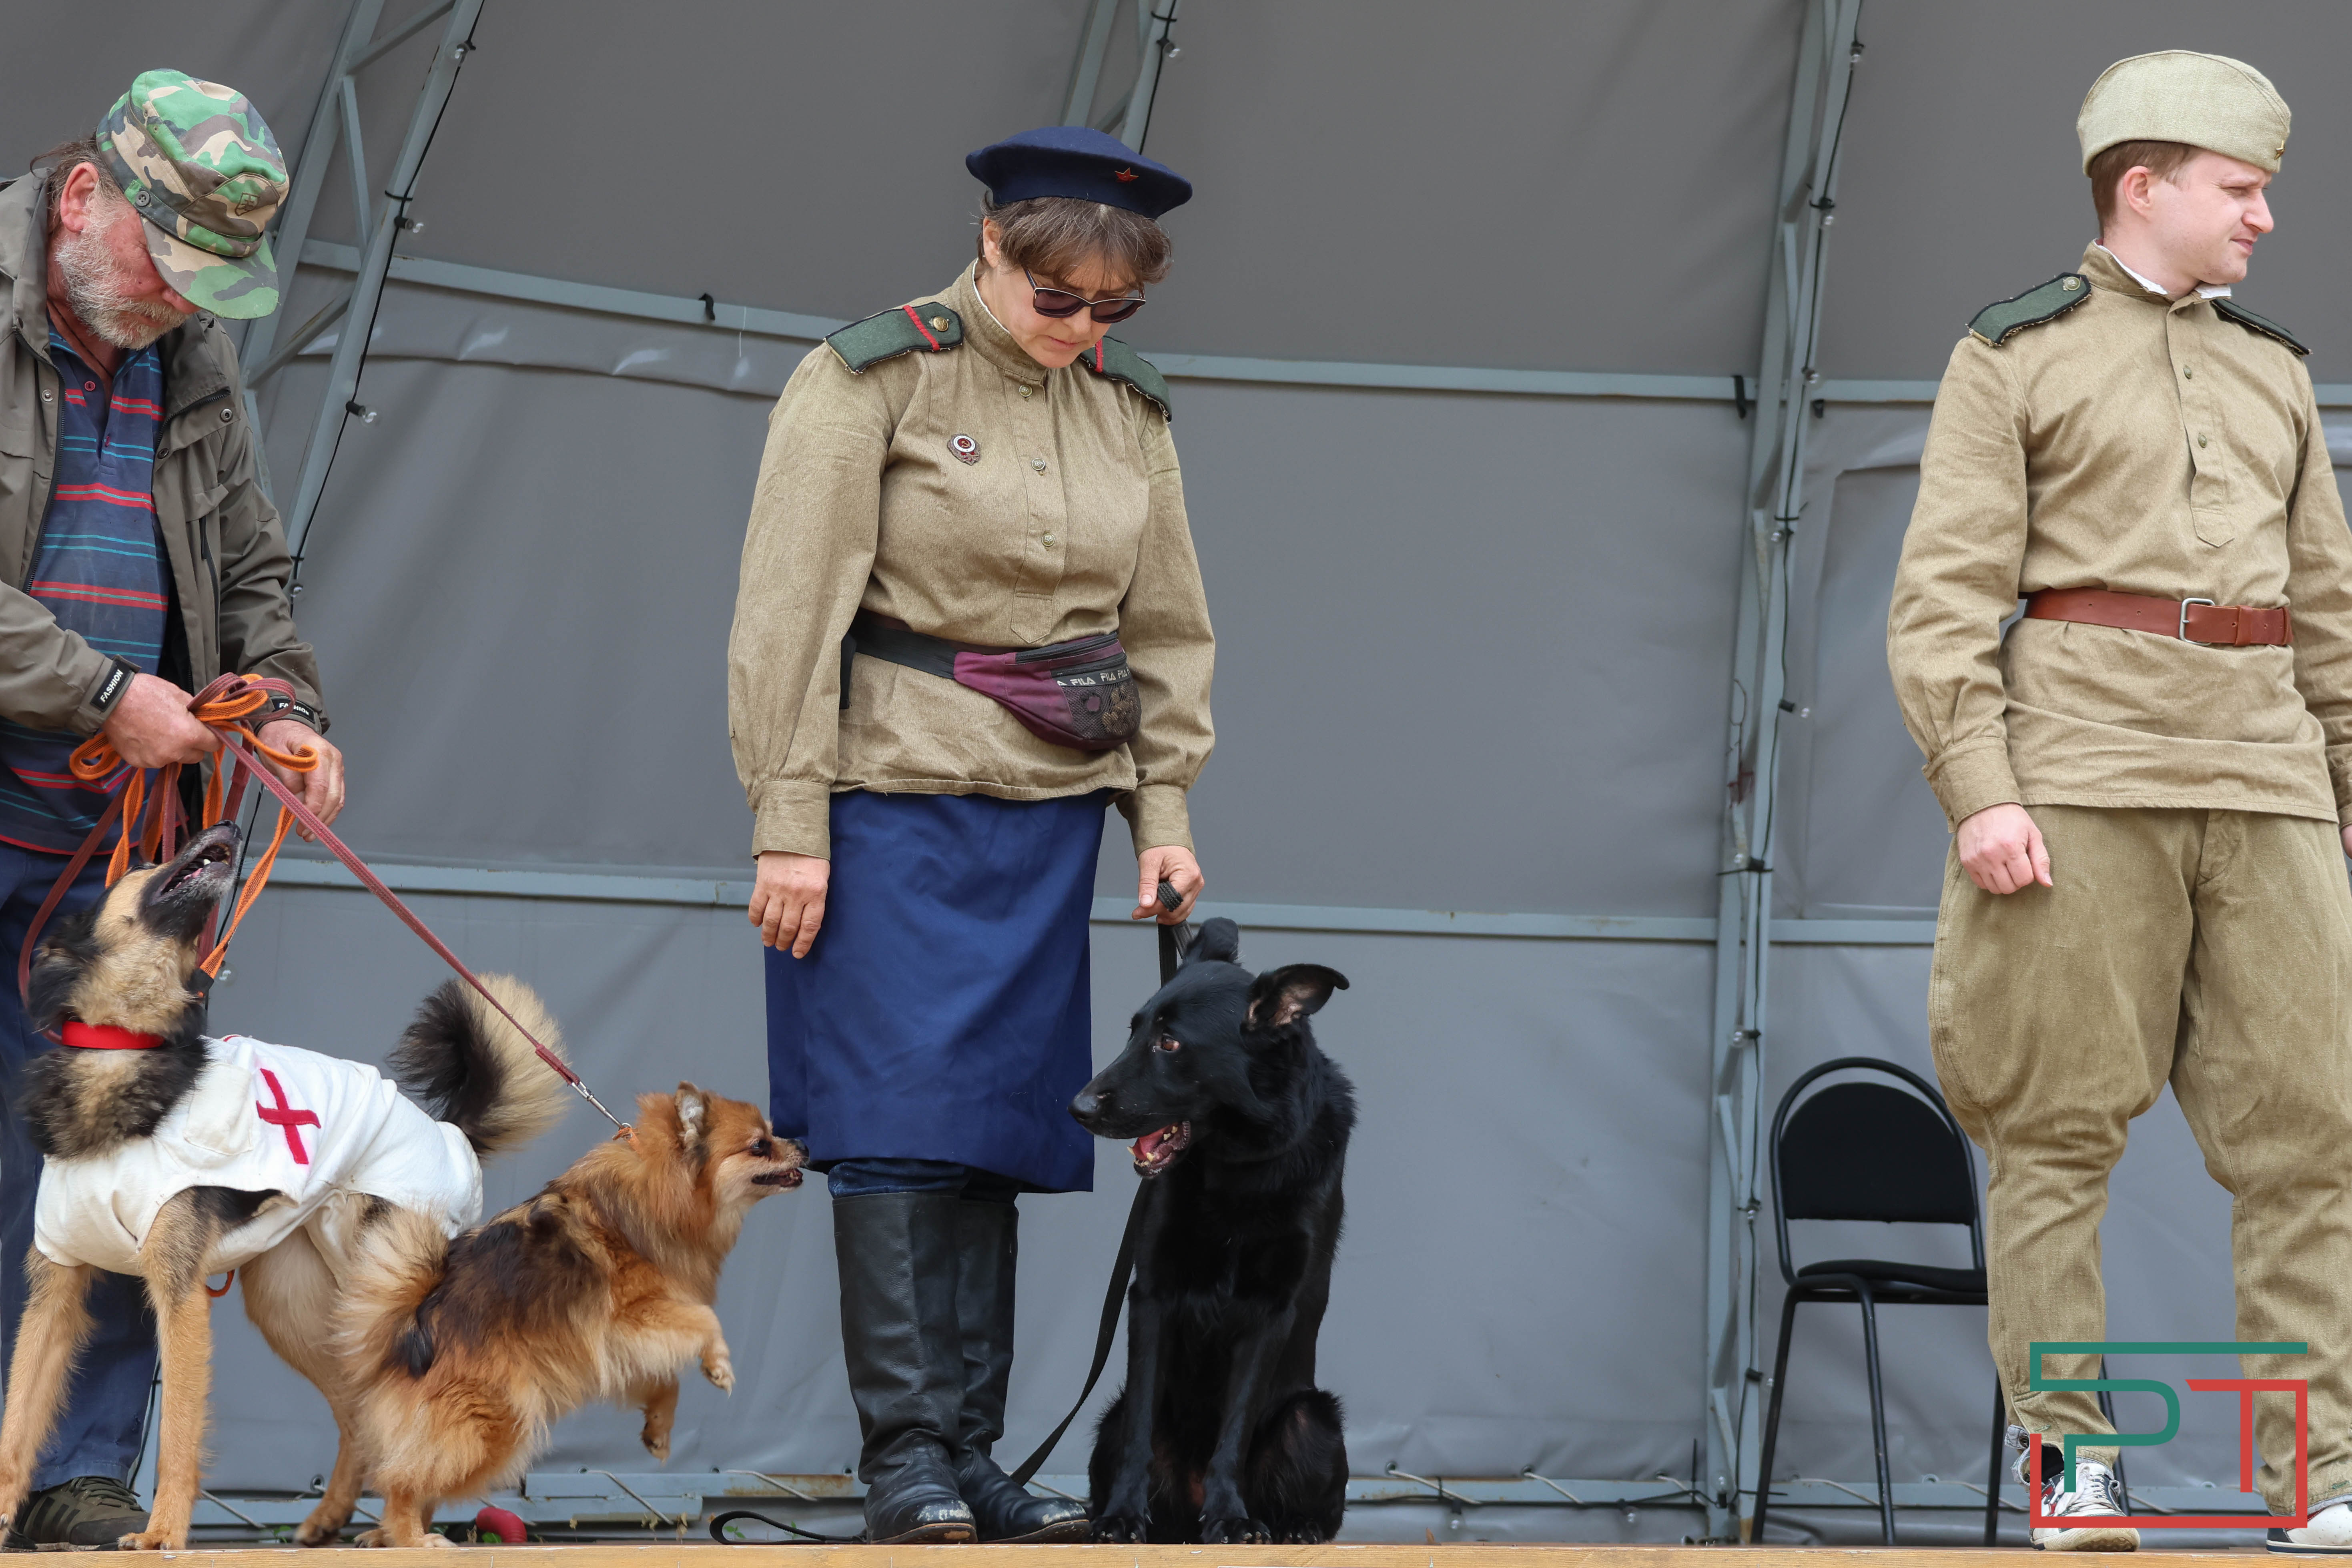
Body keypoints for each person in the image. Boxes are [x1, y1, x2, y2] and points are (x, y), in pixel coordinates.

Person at [1888, 50, 2352, 1555]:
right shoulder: (2012, 355)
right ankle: (2071, 1466)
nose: (2265, 219)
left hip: (2272, 777)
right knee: (2055, 1130)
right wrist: (1979, 788)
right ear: (2141, 189)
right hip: (2078, 769)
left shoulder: (2276, 369)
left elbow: (2332, 609)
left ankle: (2315, 1472)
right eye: (2240, 189)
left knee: (2316, 1135)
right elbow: (1943, 600)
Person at [728, 125, 1213, 1544]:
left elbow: (1168, 625)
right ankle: (905, 1458)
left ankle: (976, 1457)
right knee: (894, 1132)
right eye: (1058, 300)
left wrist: (1164, 807)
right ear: (993, 247)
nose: (1081, 332)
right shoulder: (872, 375)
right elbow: (789, 614)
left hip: (1051, 811)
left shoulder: (1134, 411)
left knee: (998, 1138)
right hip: (885, 802)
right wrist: (789, 819)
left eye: (1113, 312)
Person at [0, 72, 346, 1549]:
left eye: (206, 283)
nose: (176, 305)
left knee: (119, 1167)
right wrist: (102, 695)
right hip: (71, 759)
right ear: (86, 198)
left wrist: (281, 708)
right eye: (165, 266)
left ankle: (75, 1482)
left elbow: (256, 579)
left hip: (110, 861)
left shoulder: (187, 355)